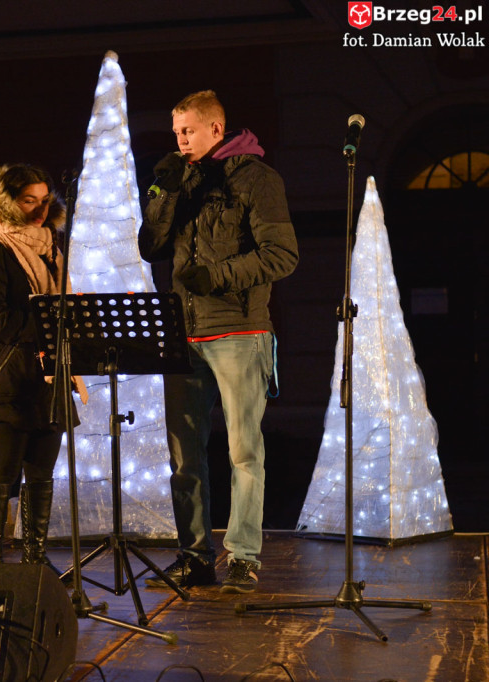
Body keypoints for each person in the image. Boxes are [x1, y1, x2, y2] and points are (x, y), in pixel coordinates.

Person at [138, 91, 298, 593]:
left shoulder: (256, 179)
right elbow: (151, 246)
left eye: (188, 131)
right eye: (176, 132)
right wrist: (162, 193)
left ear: (216, 128)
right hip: (184, 334)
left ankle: (243, 557)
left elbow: (282, 255)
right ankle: (195, 556)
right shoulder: (179, 179)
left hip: (238, 331)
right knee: (185, 455)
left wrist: (218, 276)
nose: (181, 140)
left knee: (243, 451)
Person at [0, 164, 87, 565]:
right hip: (7, 381)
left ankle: (36, 561)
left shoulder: (52, 249)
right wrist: (49, 319)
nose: (38, 210)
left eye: (45, 200)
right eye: (28, 201)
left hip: (49, 379)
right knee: (1, 475)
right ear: (7, 202)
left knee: (41, 476)